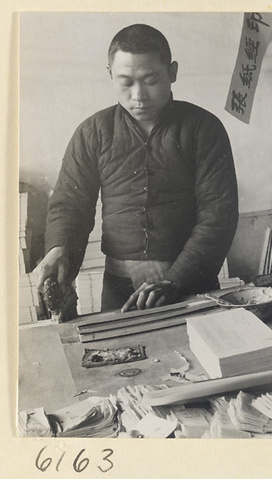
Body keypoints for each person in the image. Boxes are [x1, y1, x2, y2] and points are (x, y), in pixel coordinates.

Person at [33, 24, 238, 312]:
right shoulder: (93, 132)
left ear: (173, 72)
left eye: (150, 80)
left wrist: (176, 281)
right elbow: (70, 206)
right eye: (125, 82)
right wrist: (58, 250)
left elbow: (218, 216)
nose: (139, 95)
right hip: (120, 288)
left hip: (191, 284)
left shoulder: (203, 129)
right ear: (109, 75)